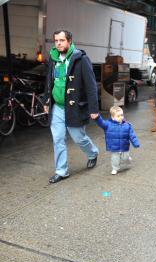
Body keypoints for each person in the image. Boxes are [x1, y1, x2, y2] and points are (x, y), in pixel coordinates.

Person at [43, 30, 99, 184]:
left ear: (69, 41)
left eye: (61, 40)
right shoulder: (53, 58)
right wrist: (46, 100)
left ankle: (93, 153)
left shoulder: (81, 59)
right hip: (57, 107)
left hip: (74, 107)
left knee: (78, 138)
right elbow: (49, 81)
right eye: (56, 40)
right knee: (58, 139)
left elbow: (91, 86)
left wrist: (94, 109)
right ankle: (61, 171)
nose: (58, 43)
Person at [94, 106, 140, 175]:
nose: (121, 117)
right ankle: (115, 168)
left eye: (121, 115)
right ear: (113, 117)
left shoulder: (127, 125)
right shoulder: (108, 125)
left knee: (125, 158)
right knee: (115, 159)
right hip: (114, 147)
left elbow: (132, 136)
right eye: (118, 116)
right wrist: (97, 117)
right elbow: (101, 123)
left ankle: (128, 160)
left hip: (124, 146)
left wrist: (135, 143)